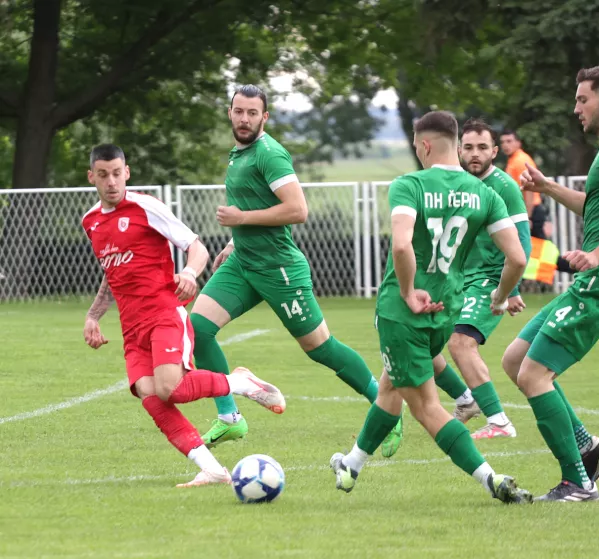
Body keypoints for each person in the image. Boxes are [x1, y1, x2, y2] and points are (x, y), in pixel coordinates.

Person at [328, 111, 532, 504]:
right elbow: (518, 259)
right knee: (391, 384)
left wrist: (407, 291)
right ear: (456, 146)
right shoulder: (485, 193)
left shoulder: (410, 185)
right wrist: (501, 296)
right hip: (446, 310)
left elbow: (402, 245)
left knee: (425, 407)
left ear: (423, 145)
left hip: (404, 313)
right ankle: (351, 465)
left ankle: (493, 479)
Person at [189, 85, 401, 456]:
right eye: (239, 111)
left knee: (320, 349)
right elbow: (255, 202)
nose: (244, 118)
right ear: (230, 112)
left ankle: (387, 410)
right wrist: (235, 240)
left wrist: (241, 218)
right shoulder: (239, 154)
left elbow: (298, 210)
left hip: (279, 268)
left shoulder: (270, 154)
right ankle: (230, 417)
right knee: (198, 329)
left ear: (264, 117)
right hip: (245, 262)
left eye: (252, 113)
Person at [81, 144, 285, 487]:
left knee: (169, 389)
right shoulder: (91, 221)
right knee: (149, 394)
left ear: (126, 172)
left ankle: (241, 383)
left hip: (163, 313)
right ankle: (212, 469)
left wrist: (189, 274)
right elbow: (111, 271)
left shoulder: (145, 207)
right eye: (103, 175)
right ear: (92, 177)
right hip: (132, 328)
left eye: (117, 173)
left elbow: (196, 246)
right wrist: (93, 316)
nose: (111, 181)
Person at [503, 65, 599, 502]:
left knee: (534, 374)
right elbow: (597, 206)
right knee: (516, 361)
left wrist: (596, 255)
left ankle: (578, 481)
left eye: (582, 99)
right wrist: (548, 187)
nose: (576, 108)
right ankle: (588, 447)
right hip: (593, 283)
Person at [430, 118, 532, 439]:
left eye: (483, 148)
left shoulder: (503, 187)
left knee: (461, 343)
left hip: (489, 279)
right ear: (459, 150)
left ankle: (499, 422)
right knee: (421, 345)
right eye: (469, 147)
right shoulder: (456, 184)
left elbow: (522, 243)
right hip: (455, 279)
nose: (475, 154)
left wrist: (509, 289)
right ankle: (465, 400)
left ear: (495, 151)